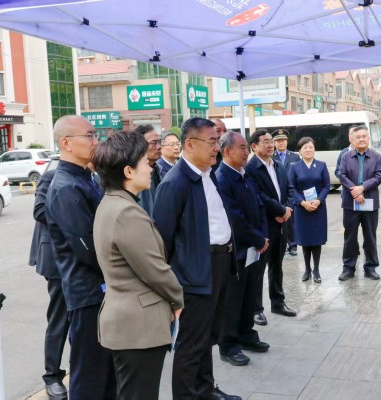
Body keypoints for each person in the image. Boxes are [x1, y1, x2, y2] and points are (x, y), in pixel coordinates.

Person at [92, 131, 184, 400]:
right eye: (145, 161)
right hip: (137, 326)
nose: (151, 167)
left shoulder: (112, 202)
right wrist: (178, 299)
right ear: (129, 171)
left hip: (127, 321)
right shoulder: (127, 212)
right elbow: (155, 270)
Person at [153, 117, 240, 400]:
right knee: (191, 343)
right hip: (194, 273)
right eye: (212, 141)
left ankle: (205, 389)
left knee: (208, 335)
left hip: (219, 264)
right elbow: (162, 242)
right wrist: (172, 287)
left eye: (218, 141)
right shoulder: (175, 183)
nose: (217, 147)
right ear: (189, 144)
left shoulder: (208, 174)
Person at [45, 115, 116, 398]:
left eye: (95, 135)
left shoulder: (87, 178)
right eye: (89, 136)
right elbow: (88, 249)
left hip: (102, 291)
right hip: (88, 294)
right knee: (89, 377)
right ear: (66, 143)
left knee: (108, 374)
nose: (96, 141)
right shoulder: (66, 186)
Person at [216, 131, 270, 367]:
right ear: (227, 151)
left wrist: (262, 236)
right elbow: (235, 219)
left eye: (247, 147)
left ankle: (247, 335)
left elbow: (259, 207)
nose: (247, 152)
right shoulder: (222, 178)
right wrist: (258, 238)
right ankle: (228, 345)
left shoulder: (244, 174)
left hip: (253, 248)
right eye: (242, 148)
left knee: (249, 294)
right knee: (233, 299)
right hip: (236, 250)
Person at [246, 129, 297, 326]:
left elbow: (289, 189)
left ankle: (278, 302)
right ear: (254, 146)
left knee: (277, 265)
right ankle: (256, 309)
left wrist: (287, 209)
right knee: (259, 268)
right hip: (264, 225)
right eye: (265, 142)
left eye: (271, 141)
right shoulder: (251, 169)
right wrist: (279, 210)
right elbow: (257, 195)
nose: (270, 145)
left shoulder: (278, 165)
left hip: (282, 224)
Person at [28, 168, 69, 400]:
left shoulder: (92, 177)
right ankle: (52, 376)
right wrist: (74, 218)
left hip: (84, 260)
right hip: (56, 259)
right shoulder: (52, 176)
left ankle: (79, 366)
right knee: (59, 318)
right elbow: (39, 210)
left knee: (82, 318)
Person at [338, 126, 381, 281]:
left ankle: (370, 267)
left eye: (364, 136)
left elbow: (379, 176)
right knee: (350, 237)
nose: (362, 139)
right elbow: (341, 175)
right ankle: (348, 268)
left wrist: (362, 187)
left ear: (368, 138)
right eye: (358, 137)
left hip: (369, 201)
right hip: (350, 203)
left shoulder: (377, 157)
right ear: (353, 139)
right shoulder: (346, 156)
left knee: (370, 236)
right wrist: (355, 191)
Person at [288, 137, 330, 283]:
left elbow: (326, 186)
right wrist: (302, 202)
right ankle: (307, 269)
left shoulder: (321, 165)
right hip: (302, 209)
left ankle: (316, 269)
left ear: (314, 149)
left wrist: (318, 200)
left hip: (318, 208)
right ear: (300, 150)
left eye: (311, 147)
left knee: (316, 240)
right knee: (305, 240)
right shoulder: (294, 167)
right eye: (305, 147)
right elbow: (291, 187)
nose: (308, 150)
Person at [272, 129, 301, 256]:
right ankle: (280, 246)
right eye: (278, 141)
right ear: (274, 143)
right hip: (276, 193)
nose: (281, 143)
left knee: (291, 220)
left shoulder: (295, 156)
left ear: (287, 141)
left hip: (291, 193)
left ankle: (292, 245)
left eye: (283, 140)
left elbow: (299, 175)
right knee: (277, 219)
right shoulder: (271, 157)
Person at [135, 124, 163, 215]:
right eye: (154, 142)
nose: (159, 146)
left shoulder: (159, 171)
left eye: (159, 142)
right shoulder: (135, 177)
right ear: (139, 146)